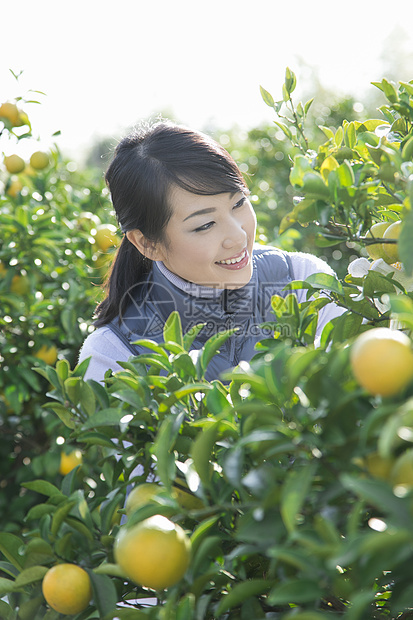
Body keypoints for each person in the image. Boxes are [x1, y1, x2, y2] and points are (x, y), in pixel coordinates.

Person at [79, 121, 343, 382]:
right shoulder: (113, 354)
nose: (238, 236)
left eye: (238, 202)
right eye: (205, 225)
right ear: (147, 243)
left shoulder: (304, 281)